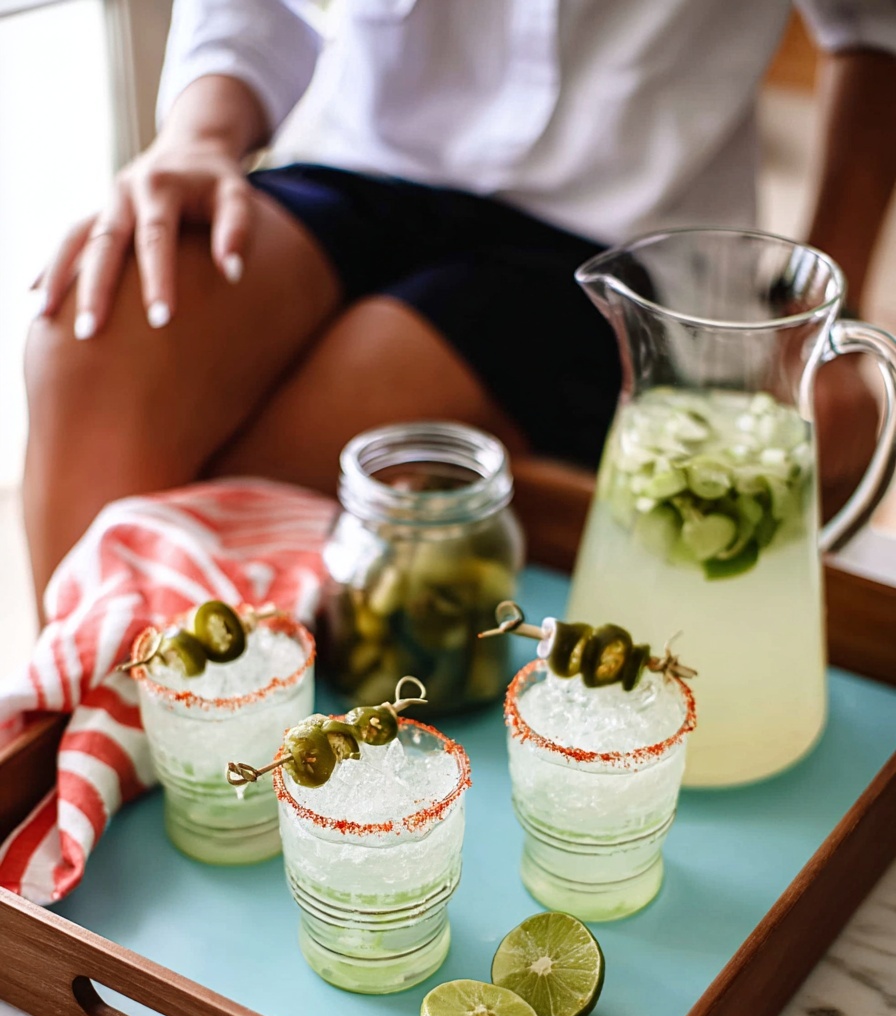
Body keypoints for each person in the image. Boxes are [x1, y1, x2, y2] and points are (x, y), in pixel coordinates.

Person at [23, 0, 896, 599]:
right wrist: (198, 136)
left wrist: (819, 306)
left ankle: (181, 755)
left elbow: (872, 28)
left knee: (306, 462)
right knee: (89, 339)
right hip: (360, 152)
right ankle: (69, 762)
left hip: (612, 222)